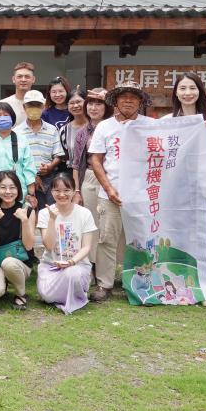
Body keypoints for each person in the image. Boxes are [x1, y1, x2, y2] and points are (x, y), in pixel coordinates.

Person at [88, 80, 155, 302]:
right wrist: (108, 188)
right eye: (123, 96)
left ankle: (136, 282)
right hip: (110, 195)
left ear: (140, 102)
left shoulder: (151, 125)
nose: (128, 100)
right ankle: (104, 284)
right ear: (115, 100)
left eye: (134, 97)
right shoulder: (105, 126)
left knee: (138, 240)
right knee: (106, 238)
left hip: (141, 196)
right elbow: (96, 159)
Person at [162, 72, 206, 304]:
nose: (188, 93)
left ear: (200, 91)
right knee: (181, 240)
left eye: (192, 88)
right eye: (183, 88)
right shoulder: (168, 121)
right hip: (179, 192)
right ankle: (183, 286)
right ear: (176, 93)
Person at [37, 173, 97, 314]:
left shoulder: (84, 213)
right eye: (57, 190)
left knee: (72, 274)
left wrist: (71, 262)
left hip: (76, 265)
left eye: (66, 190)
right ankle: (69, 291)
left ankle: (78, 287)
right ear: (51, 192)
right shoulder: (44, 213)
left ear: (74, 191)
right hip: (51, 265)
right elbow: (49, 246)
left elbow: (86, 246)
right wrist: (52, 219)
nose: (62, 194)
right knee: (46, 296)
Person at [72, 88, 112, 271]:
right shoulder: (82, 132)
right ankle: (91, 265)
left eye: (99, 104)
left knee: (109, 224)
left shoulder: (114, 127)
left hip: (112, 177)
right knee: (91, 224)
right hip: (89, 177)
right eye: (91, 104)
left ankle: (108, 266)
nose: (94, 108)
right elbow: (76, 163)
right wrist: (77, 191)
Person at [0, 171, 35, 310]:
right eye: (3, 187)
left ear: (18, 189)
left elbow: (29, 246)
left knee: (9, 264)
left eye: (12, 187)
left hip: (20, 262)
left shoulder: (26, 210)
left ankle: (20, 294)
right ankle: (2, 280)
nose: (8, 192)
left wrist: (24, 220)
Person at [16, 90, 64, 207]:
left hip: (49, 179)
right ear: (24, 107)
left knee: (48, 213)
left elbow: (59, 155)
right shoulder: (16, 131)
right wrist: (32, 177)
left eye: (37, 105)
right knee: (27, 216)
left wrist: (50, 166)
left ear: (43, 107)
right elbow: (15, 159)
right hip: (24, 179)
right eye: (30, 105)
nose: (34, 108)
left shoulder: (52, 130)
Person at [59, 86, 88, 173]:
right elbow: (64, 156)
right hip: (71, 173)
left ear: (86, 103)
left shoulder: (96, 126)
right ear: (67, 106)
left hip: (93, 173)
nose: (75, 105)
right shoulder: (64, 130)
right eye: (71, 103)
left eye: (79, 102)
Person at [0, 61, 35, 127]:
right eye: (19, 76)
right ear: (13, 79)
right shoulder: (4, 104)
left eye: (27, 76)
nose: (23, 80)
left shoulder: (43, 104)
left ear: (33, 79)